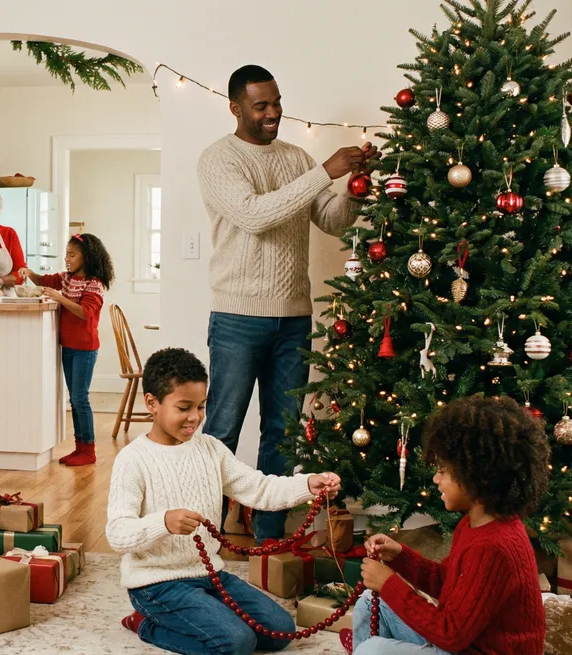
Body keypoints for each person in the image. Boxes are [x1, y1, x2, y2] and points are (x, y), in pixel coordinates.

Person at [197, 64, 380, 542]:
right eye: (261, 105)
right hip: (237, 317)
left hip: (295, 317)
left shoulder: (297, 157)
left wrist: (355, 187)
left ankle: (270, 539)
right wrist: (324, 172)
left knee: (283, 434)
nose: (273, 112)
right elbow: (255, 216)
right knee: (222, 431)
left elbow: (333, 221)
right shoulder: (218, 159)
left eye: (277, 102)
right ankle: (203, 537)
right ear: (235, 108)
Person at [107, 347, 341, 655]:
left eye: (201, 406)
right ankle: (146, 624)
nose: (195, 418)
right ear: (152, 403)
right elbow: (117, 534)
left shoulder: (211, 449)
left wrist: (307, 485)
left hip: (210, 575)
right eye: (184, 407)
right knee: (236, 642)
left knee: (280, 631)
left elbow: (258, 488)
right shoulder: (132, 460)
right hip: (156, 584)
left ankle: (204, 614)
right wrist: (163, 522)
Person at [347, 397, 548, 655]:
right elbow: (447, 584)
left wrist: (388, 583)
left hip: (472, 648)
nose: (435, 479)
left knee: (373, 650)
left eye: (443, 471)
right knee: (368, 602)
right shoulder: (474, 523)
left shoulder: (493, 546)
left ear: (475, 475)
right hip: (462, 643)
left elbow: (450, 634)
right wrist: (400, 556)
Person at [25, 233, 114, 466]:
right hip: (69, 347)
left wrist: (60, 298)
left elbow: (85, 313)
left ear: (86, 257)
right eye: (66, 254)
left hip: (85, 348)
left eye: (72, 255)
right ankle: (79, 447)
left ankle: (89, 450)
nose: (67, 259)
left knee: (79, 399)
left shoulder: (94, 284)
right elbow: (43, 280)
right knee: (74, 400)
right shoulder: (66, 278)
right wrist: (28, 272)